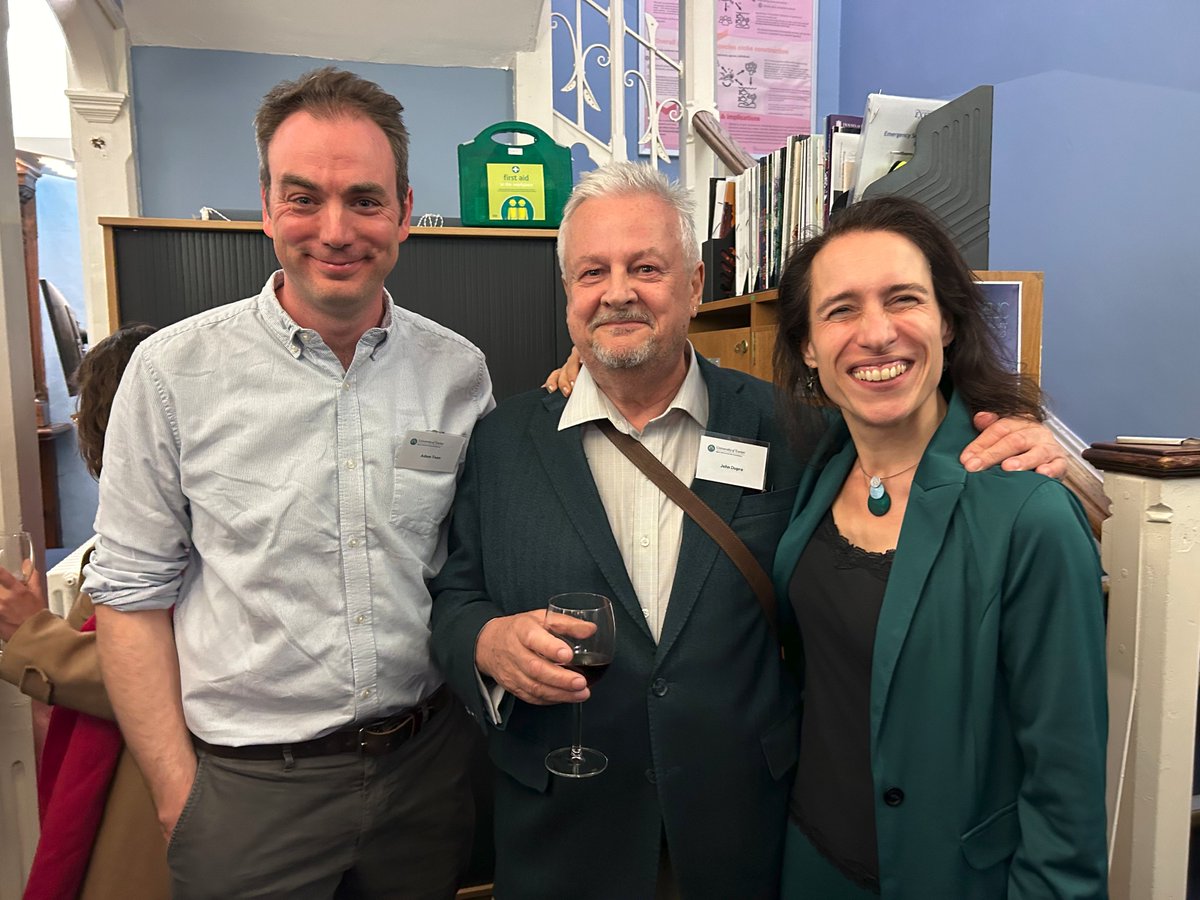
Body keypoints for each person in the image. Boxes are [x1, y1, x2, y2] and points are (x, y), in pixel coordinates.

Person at [429, 162, 1069, 899]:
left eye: (646, 267)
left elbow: (910, 462)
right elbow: (455, 593)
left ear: (695, 284)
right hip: (563, 834)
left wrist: (1052, 456)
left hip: (745, 831)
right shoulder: (503, 441)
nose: (618, 292)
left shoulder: (796, 430)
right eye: (591, 272)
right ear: (568, 294)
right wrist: (483, 642)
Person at [83, 68, 492, 899]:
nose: (335, 230)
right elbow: (129, 598)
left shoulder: (459, 373)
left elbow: (471, 560)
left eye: (365, 200)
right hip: (247, 797)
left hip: (425, 776)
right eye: (304, 198)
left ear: (405, 213)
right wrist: (177, 796)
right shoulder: (171, 375)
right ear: (266, 206)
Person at [771, 196, 1107, 898]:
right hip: (811, 864)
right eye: (841, 310)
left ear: (947, 322)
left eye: (903, 300)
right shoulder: (820, 469)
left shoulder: (1030, 515)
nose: (877, 333)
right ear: (808, 345)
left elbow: (1065, 787)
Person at [0, 323, 167, 900]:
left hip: (152, 792)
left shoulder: (189, 530)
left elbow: (158, 671)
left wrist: (35, 636)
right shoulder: (136, 526)